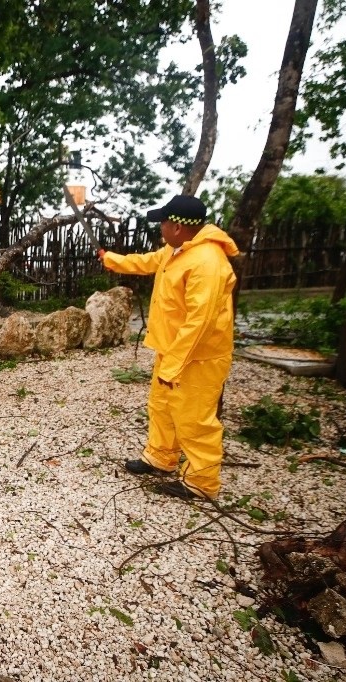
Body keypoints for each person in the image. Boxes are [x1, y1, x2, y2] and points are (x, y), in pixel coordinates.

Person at [99, 195, 239, 500]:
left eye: (163, 221)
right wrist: (112, 259)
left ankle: (202, 482)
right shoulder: (176, 251)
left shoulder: (207, 262)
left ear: (175, 226)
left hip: (198, 357)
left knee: (194, 417)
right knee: (162, 406)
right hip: (172, 349)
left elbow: (200, 321)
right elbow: (146, 261)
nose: (159, 226)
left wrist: (175, 364)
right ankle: (161, 456)